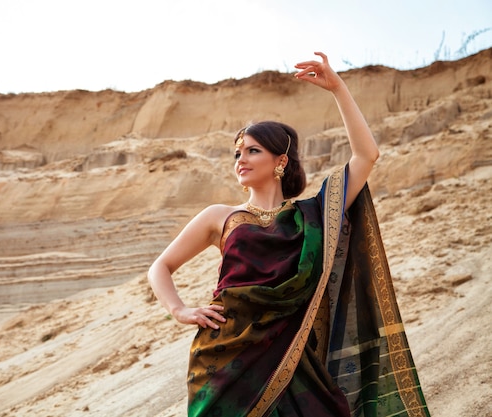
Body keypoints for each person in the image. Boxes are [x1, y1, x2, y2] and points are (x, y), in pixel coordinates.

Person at [148, 52, 430, 417]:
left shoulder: (313, 214)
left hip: (295, 355)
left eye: (252, 150)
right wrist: (180, 310)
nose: (240, 160)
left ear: (280, 161)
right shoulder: (220, 217)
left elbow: (366, 155)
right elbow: (161, 266)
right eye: (237, 153)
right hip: (223, 359)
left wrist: (338, 89)